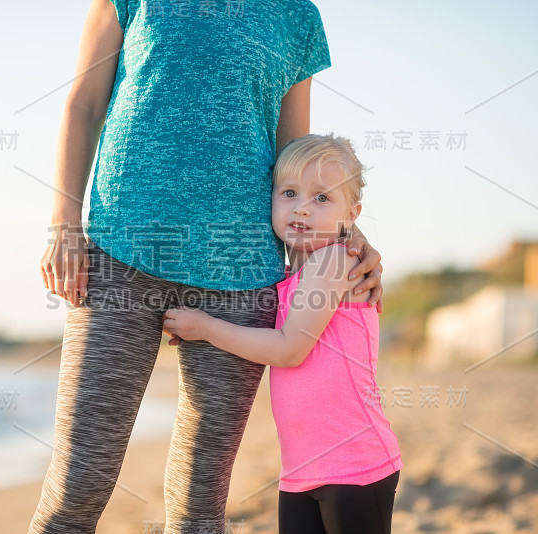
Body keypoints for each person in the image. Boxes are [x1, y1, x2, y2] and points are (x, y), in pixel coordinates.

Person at [31, 1, 385, 532]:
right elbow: (83, 104)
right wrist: (63, 221)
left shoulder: (296, 16)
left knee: (200, 506)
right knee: (77, 487)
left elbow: (295, 155)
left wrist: (345, 233)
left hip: (241, 271)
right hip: (121, 249)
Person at [163, 134, 402, 534]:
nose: (302, 209)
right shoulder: (292, 275)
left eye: (322, 198)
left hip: (354, 464)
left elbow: (290, 349)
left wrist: (205, 328)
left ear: (352, 214)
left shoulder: (336, 260)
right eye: (289, 193)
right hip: (300, 470)